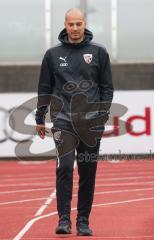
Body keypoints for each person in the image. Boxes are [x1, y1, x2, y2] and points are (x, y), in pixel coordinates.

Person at [35, 8, 114, 236]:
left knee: (88, 172)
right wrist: (40, 117)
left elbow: (107, 88)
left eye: (79, 24)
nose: (75, 29)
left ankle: (82, 221)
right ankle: (63, 220)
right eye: (72, 24)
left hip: (90, 124)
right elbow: (44, 88)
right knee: (65, 168)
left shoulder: (99, 52)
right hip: (63, 122)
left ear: (84, 24)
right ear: (65, 25)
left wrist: (102, 113)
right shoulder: (52, 54)